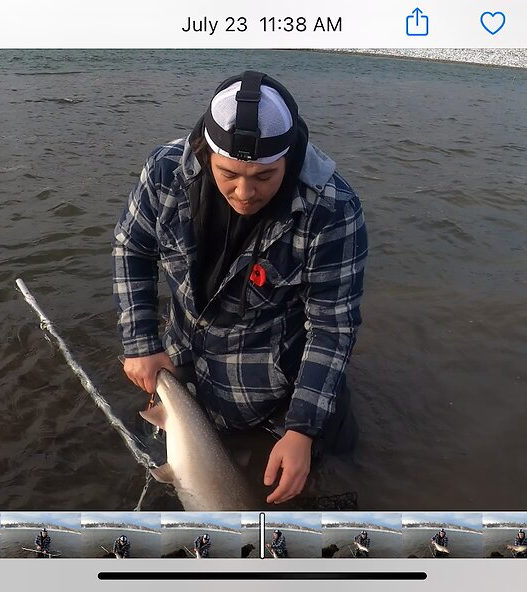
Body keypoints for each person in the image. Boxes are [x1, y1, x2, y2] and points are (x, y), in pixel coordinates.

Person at [114, 70, 368, 504]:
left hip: (274, 397)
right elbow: (132, 248)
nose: (245, 192)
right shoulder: (164, 172)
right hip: (185, 370)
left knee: (321, 479)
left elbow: (332, 329)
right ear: (205, 152)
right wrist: (141, 341)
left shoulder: (333, 210)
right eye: (228, 174)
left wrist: (302, 429)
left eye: (264, 177)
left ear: (289, 158)